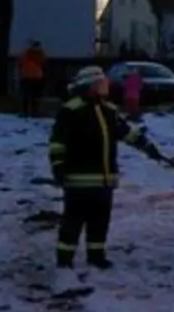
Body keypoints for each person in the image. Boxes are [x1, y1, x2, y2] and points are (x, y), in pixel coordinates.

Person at [47, 66, 161, 288]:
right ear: (86, 86)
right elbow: (58, 142)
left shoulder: (109, 110)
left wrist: (147, 146)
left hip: (104, 180)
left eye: (104, 84)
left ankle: (96, 256)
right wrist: (59, 167)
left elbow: (126, 132)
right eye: (99, 84)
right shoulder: (71, 110)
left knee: (100, 221)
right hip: (78, 179)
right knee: (73, 220)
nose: (103, 88)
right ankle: (64, 260)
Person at [18, 41, 47, 117]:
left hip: (35, 77)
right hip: (28, 77)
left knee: (34, 96)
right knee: (27, 96)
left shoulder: (39, 54)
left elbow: (41, 62)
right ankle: (26, 112)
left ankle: (33, 112)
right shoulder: (28, 54)